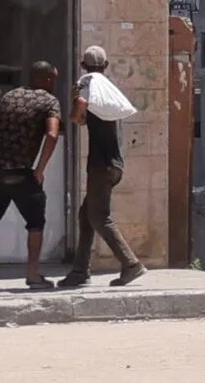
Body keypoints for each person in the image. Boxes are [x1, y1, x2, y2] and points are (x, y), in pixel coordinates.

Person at [0, 61, 62, 291]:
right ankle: (33, 275)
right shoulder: (49, 101)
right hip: (21, 172)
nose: (54, 83)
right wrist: (40, 169)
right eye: (53, 79)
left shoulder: (9, 97)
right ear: (46, 79)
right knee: (35, 223)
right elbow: (52, 134)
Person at [58, 46, 146, 289]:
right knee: (86, 217)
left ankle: (130, 264)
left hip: (101, 165)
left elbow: (82, 104)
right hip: (114, 165)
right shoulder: (107, 90)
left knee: (99, 217)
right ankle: (79, 271)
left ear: (83, 64)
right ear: (106, 65)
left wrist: (75, 116)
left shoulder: (87, 82)